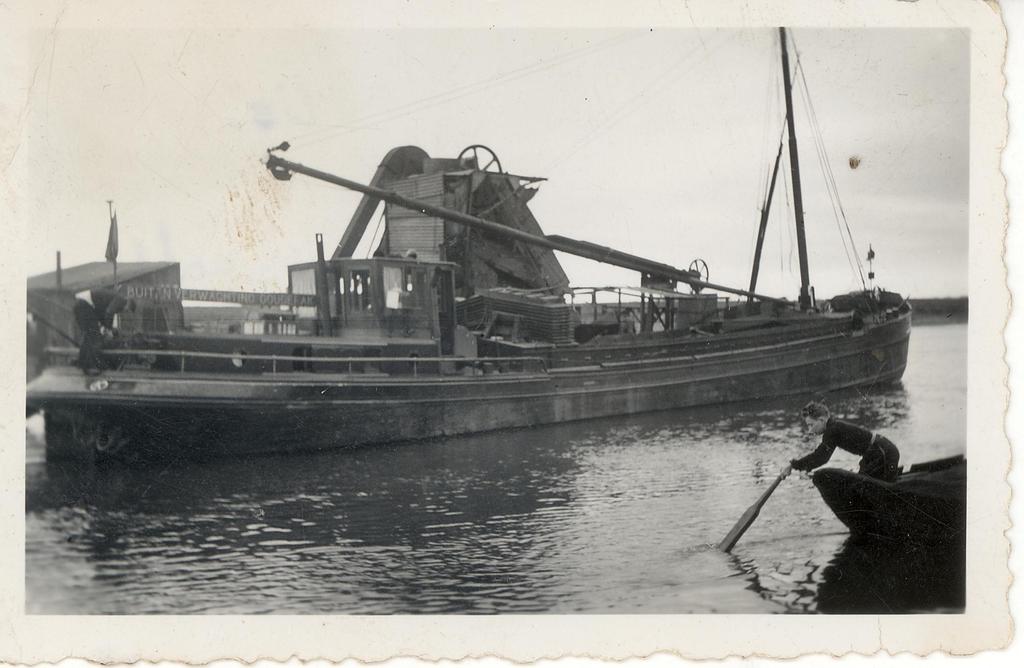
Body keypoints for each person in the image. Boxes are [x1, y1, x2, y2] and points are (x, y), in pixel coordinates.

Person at [790, 401, 900, 483]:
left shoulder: (832, 430)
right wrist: (800, 466)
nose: (810, 430)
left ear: (821, 420)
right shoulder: (833, 427)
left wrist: (795, 465)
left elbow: (821, 456)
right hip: (876, 454)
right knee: (860, 485)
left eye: (811, 425)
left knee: (862, 488)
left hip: (883, 453)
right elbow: (820, 454)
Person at [74, 288, 133, 373]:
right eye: (127, 310)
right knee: (95, 337)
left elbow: (103, 315)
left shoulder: (109, 301)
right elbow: (109, 312)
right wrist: (109, 329)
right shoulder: (121, 300)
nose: (124, 312)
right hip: (84, 306)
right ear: (128, 304)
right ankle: (96, 366)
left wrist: (107, 327)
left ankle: (82, 363)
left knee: (89, 336)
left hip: (80, 305)